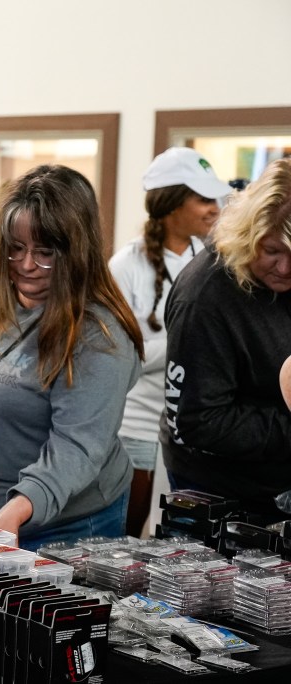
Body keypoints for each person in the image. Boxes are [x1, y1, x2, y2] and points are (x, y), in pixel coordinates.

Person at [0, 165, 143, 550]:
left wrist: (19, 508)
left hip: (63, 521)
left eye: (45, 253)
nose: (25, 265)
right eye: (15, 248)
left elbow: (77, 446)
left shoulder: (99, 334)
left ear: (77, 251)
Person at [109, 147, 230, 537]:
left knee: (175, 546)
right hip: (137, 428)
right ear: (171, 203)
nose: (214, 208)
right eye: (203, 199)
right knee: (125, 540)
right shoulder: (125, 266)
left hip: (189, 437)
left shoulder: (213, 262)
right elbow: (115, 356)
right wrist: (188, 346)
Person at [162, 156, 291, 521]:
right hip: (219, 490)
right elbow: (200, 420)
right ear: (249, 236)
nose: (285, 268)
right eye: (272, 251)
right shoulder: (204, 296)